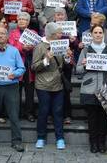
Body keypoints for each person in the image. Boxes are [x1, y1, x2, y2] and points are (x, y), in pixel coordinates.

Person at [76, 24, 107, 153]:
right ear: (91, 35)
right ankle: (93, 143)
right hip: (89, 88)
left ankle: (102, 143)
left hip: (105, 88)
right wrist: (83, 65)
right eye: (95, 32)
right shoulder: (86, 50)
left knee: (103, 118)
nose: (98, 35)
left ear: (104, 34)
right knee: (92, 118)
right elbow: (77, 69)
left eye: (100, 32)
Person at [32, 22, 72, 150]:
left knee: (58, 112)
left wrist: (67, 57)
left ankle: (60, 138)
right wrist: (46, 59)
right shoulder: (39, 46)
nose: (61, 35)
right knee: (43, 111)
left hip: (58, 84)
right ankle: (41, 137)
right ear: (51, 34)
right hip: (43, 84)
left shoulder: (60, 45)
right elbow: (34, 67)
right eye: (59, 33)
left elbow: (65, 65)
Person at [8, 12, 37, 122]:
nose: (21, 21)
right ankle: (17, 113)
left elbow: (38, 47)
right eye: (19, 19)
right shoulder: (12, 33)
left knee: (30, 92)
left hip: (29, 65)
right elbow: (11, 48)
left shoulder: (33, 33)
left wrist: (31, 47)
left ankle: (29, 113)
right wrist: (22, 48)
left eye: (24, 19)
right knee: (16, 92)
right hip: (17, 66)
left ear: (28, 22)